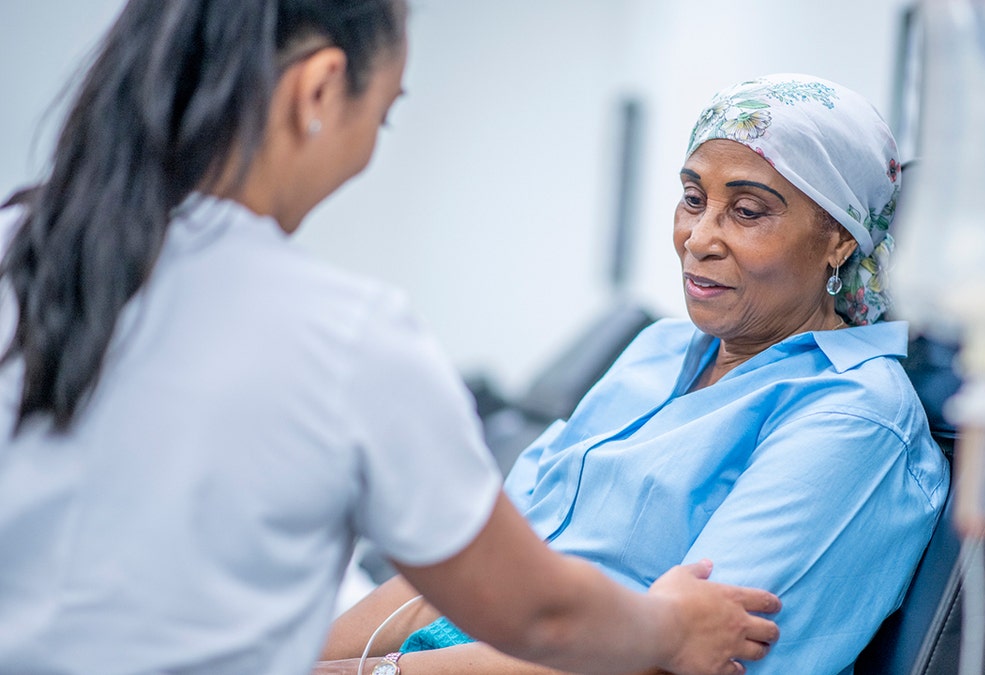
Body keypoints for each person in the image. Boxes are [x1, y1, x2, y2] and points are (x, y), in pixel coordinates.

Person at [0, 2, 783, 674]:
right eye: (382, 114)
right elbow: (540, 613)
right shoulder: (345, 338)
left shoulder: (15, 240)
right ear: (318, 90)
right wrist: (675, 625)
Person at [317, 74, 950, 674]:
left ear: (839, 238)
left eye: (748, 211)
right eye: (693, 199)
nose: (699, 238)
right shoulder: (661, 347)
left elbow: (678, 655)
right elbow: (477, 566)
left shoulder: (852, 416)